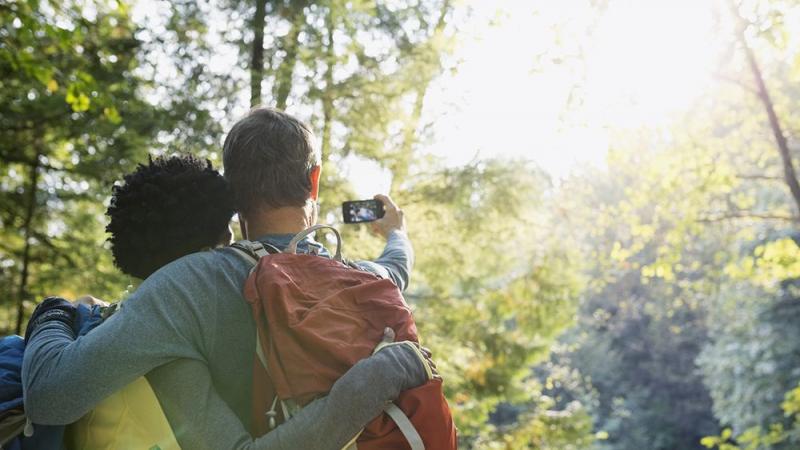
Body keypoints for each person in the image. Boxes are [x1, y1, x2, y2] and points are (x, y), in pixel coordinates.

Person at [22, 108, 431, 449]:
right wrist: (398, 232)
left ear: (231, 192)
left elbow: (50, 397)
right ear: (314, 180)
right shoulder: (362, 278)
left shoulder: (185, 286)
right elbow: (397, 269)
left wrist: (53, 311)